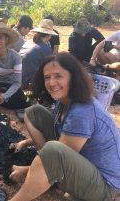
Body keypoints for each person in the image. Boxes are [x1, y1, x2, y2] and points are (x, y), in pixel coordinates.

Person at [8, 52, 120, 201]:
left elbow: (58, 154)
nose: (51, 83)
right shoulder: (64, 101)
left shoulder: (81, 112)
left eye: (58, 76)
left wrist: (26, 171)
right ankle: (45, 171)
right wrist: (25, 142)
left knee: (53, 151)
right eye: (47, 77)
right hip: (84, 163)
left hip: (104, 187)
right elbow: (63, 137)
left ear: (73, 78)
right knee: (34, 112)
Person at [21, 19, 58, 89]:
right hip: (30, 82)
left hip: (20, 79)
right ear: (49, 35)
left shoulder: (28, 42)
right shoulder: (46, 48)